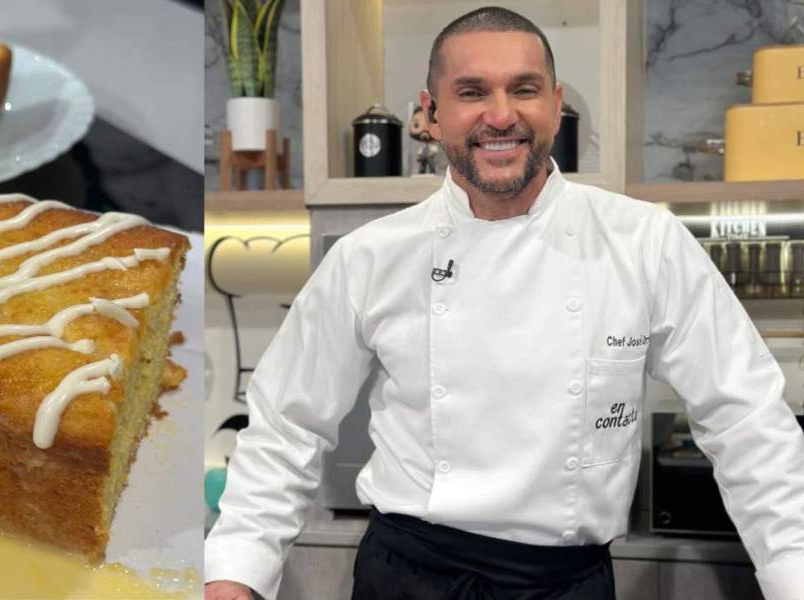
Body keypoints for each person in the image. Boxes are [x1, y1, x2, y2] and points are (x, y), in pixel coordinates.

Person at [204, 6, 804, 600]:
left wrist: (793, 572)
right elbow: (287, 423)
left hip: (564, 586)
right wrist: (237, 570)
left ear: (555, 105)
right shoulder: (370, 256)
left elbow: (745, 417)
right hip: (408, 579)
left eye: (524, 89)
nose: (500, 115)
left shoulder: (646, 242)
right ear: (431, 113)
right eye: (472, 92)